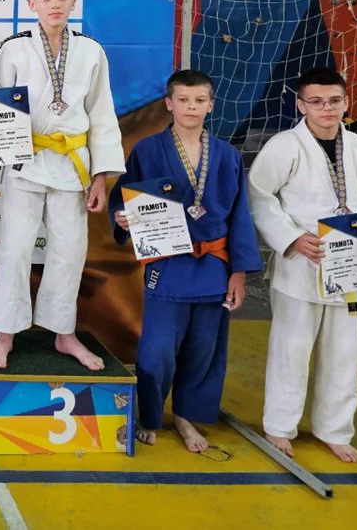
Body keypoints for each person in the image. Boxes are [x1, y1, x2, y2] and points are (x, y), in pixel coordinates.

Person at [0, 0, 124, 370]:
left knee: (69, 253)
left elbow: (102, 116)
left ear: (73, 1)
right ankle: (5, 333)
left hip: (72, 167)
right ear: (31, 3)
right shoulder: (14, 49)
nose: (55, 4)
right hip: (25, 161)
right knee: (15, 250)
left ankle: (64, 333)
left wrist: (101, 178)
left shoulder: (91, 52)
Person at [109, 69, 263, 452]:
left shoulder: (227, 155)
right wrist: (122, 217)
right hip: (168, 264)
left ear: (211, 105)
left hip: (213, 266)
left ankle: (185, 416)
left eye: (199, 101)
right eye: (183, 100)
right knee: (157, 349)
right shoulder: (147, 150)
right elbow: (124, 197)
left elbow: (240, 217)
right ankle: (149, 414)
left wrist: (239, 273)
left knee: (204, 349)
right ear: (169, 103)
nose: (191, 107)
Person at [249, 67, 357, 463]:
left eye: (333, 101)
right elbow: (260, 196)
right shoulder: (283, 147)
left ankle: (335, 429)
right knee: (291, 348)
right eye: (316, 101)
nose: (326, 109)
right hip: (301, 263)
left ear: (346, 102)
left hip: (349, 265)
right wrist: (291, 238)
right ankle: (279, 426)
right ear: (301, 105)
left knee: (346, 351)